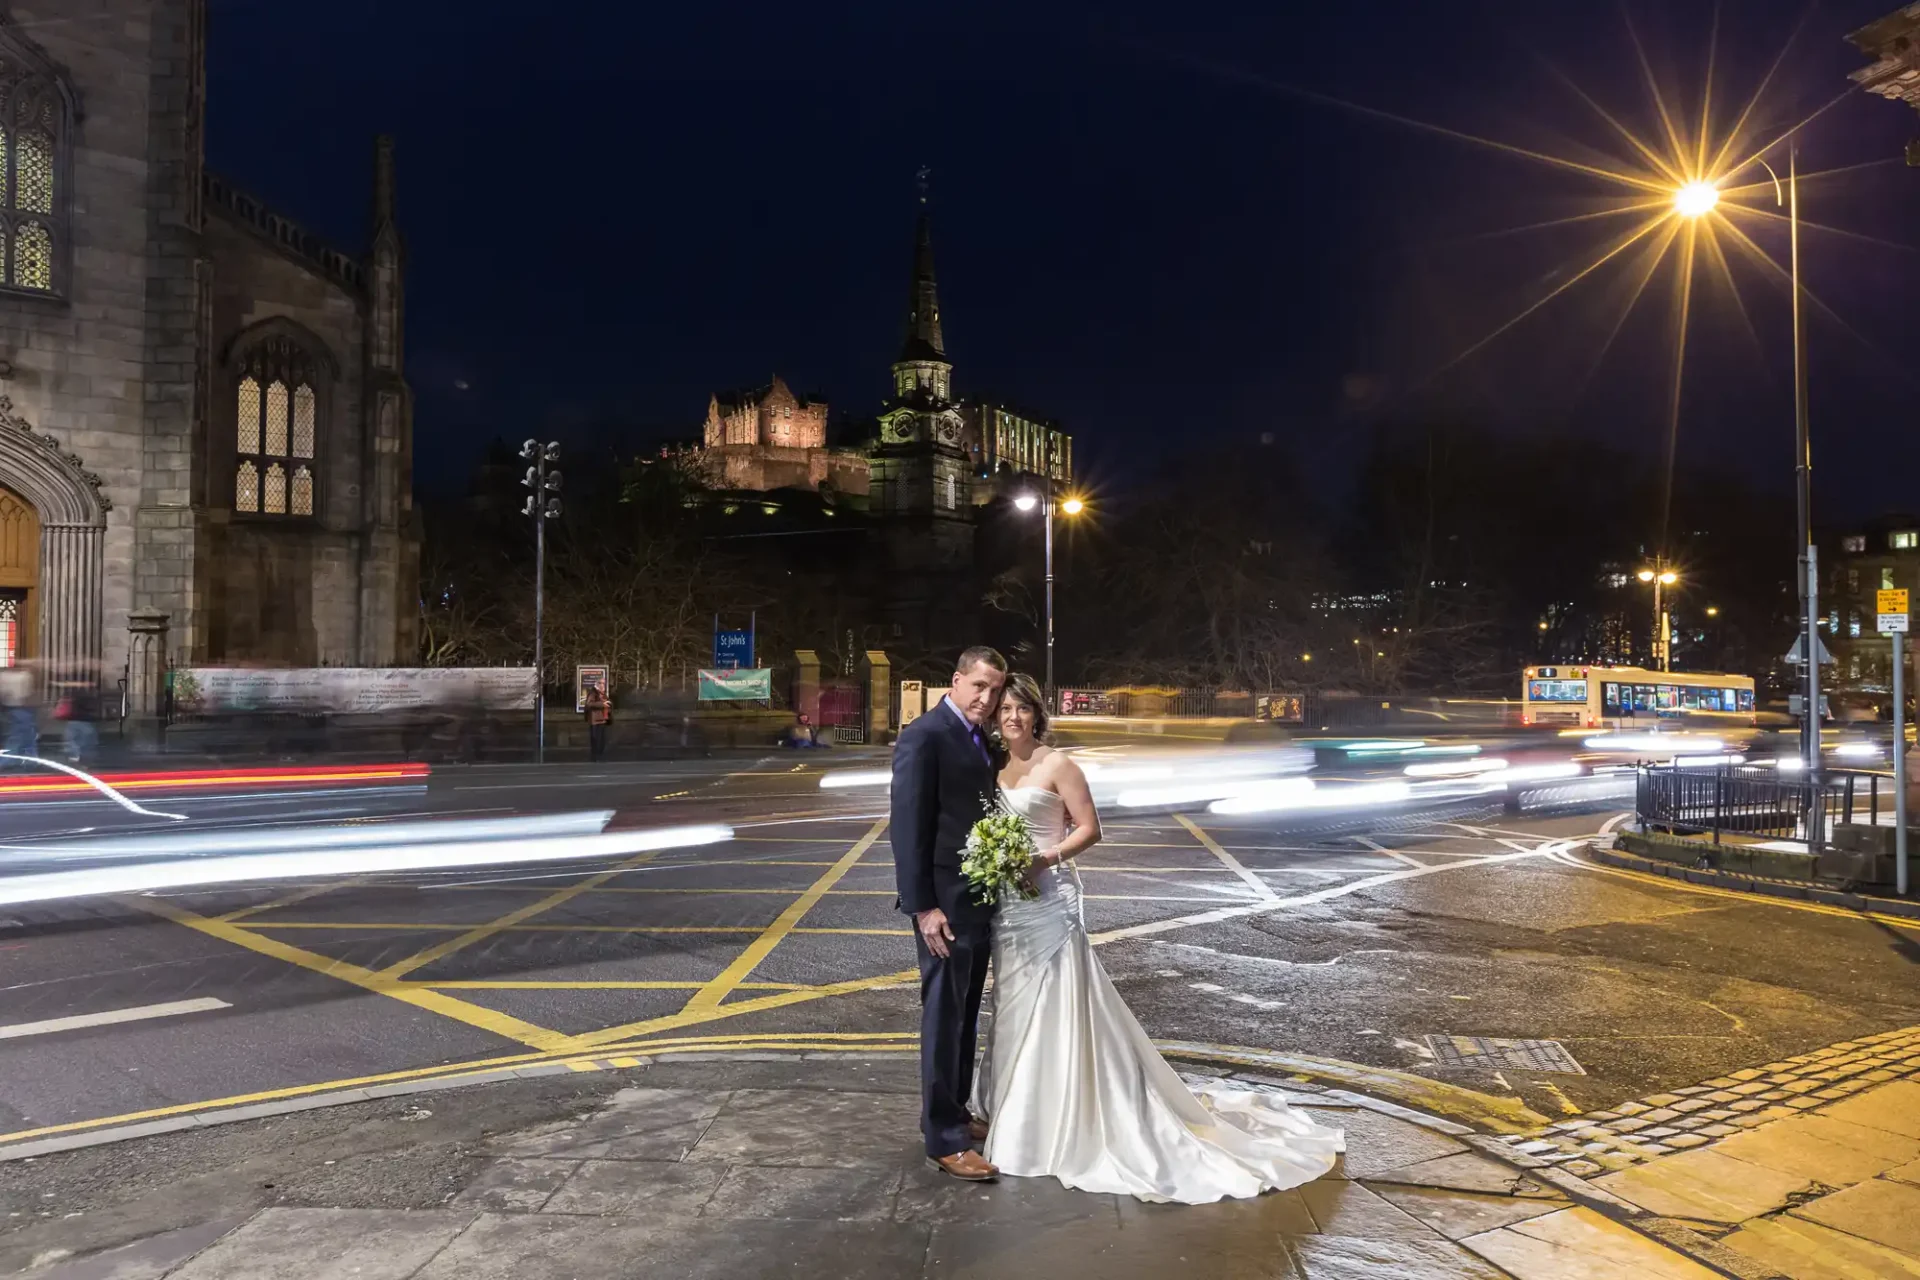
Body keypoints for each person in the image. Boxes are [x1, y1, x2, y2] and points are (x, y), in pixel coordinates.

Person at [972, 672, 1345, 1203]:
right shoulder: (993, 765)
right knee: (1011, 1004)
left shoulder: (1058, 764)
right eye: (1004, 708)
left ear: (1037, 714)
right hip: (1007, 907)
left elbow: (1089, 829)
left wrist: (1044, 858)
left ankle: (1055, 1120)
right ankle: (1013, 1110)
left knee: (1055, 1001)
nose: (1012, 717)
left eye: (1022, 709)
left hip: (1049, 900)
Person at [891, 645, 1007, 1182]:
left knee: (963, 1016)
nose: (986, 698)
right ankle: (943, 1138)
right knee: (942, 1016)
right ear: (956, 681)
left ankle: (957, 1112)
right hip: (943, 905)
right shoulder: (925, 735)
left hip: (976, 898)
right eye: (979, 686)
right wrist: (923, 907)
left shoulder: (976, 736)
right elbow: (908, 827)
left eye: (995, 690)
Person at [582, 680, 611, 762]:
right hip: (596, 720)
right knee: (596, 739)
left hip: (602, 719)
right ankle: (596, 755)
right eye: (602, 684)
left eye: (604, 684)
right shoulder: (593, 693)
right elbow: (589, 704)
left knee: (602, 739)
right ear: (598, 685)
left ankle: (600, 755)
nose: (603, 686)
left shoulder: (602, 694)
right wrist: (602, 704)